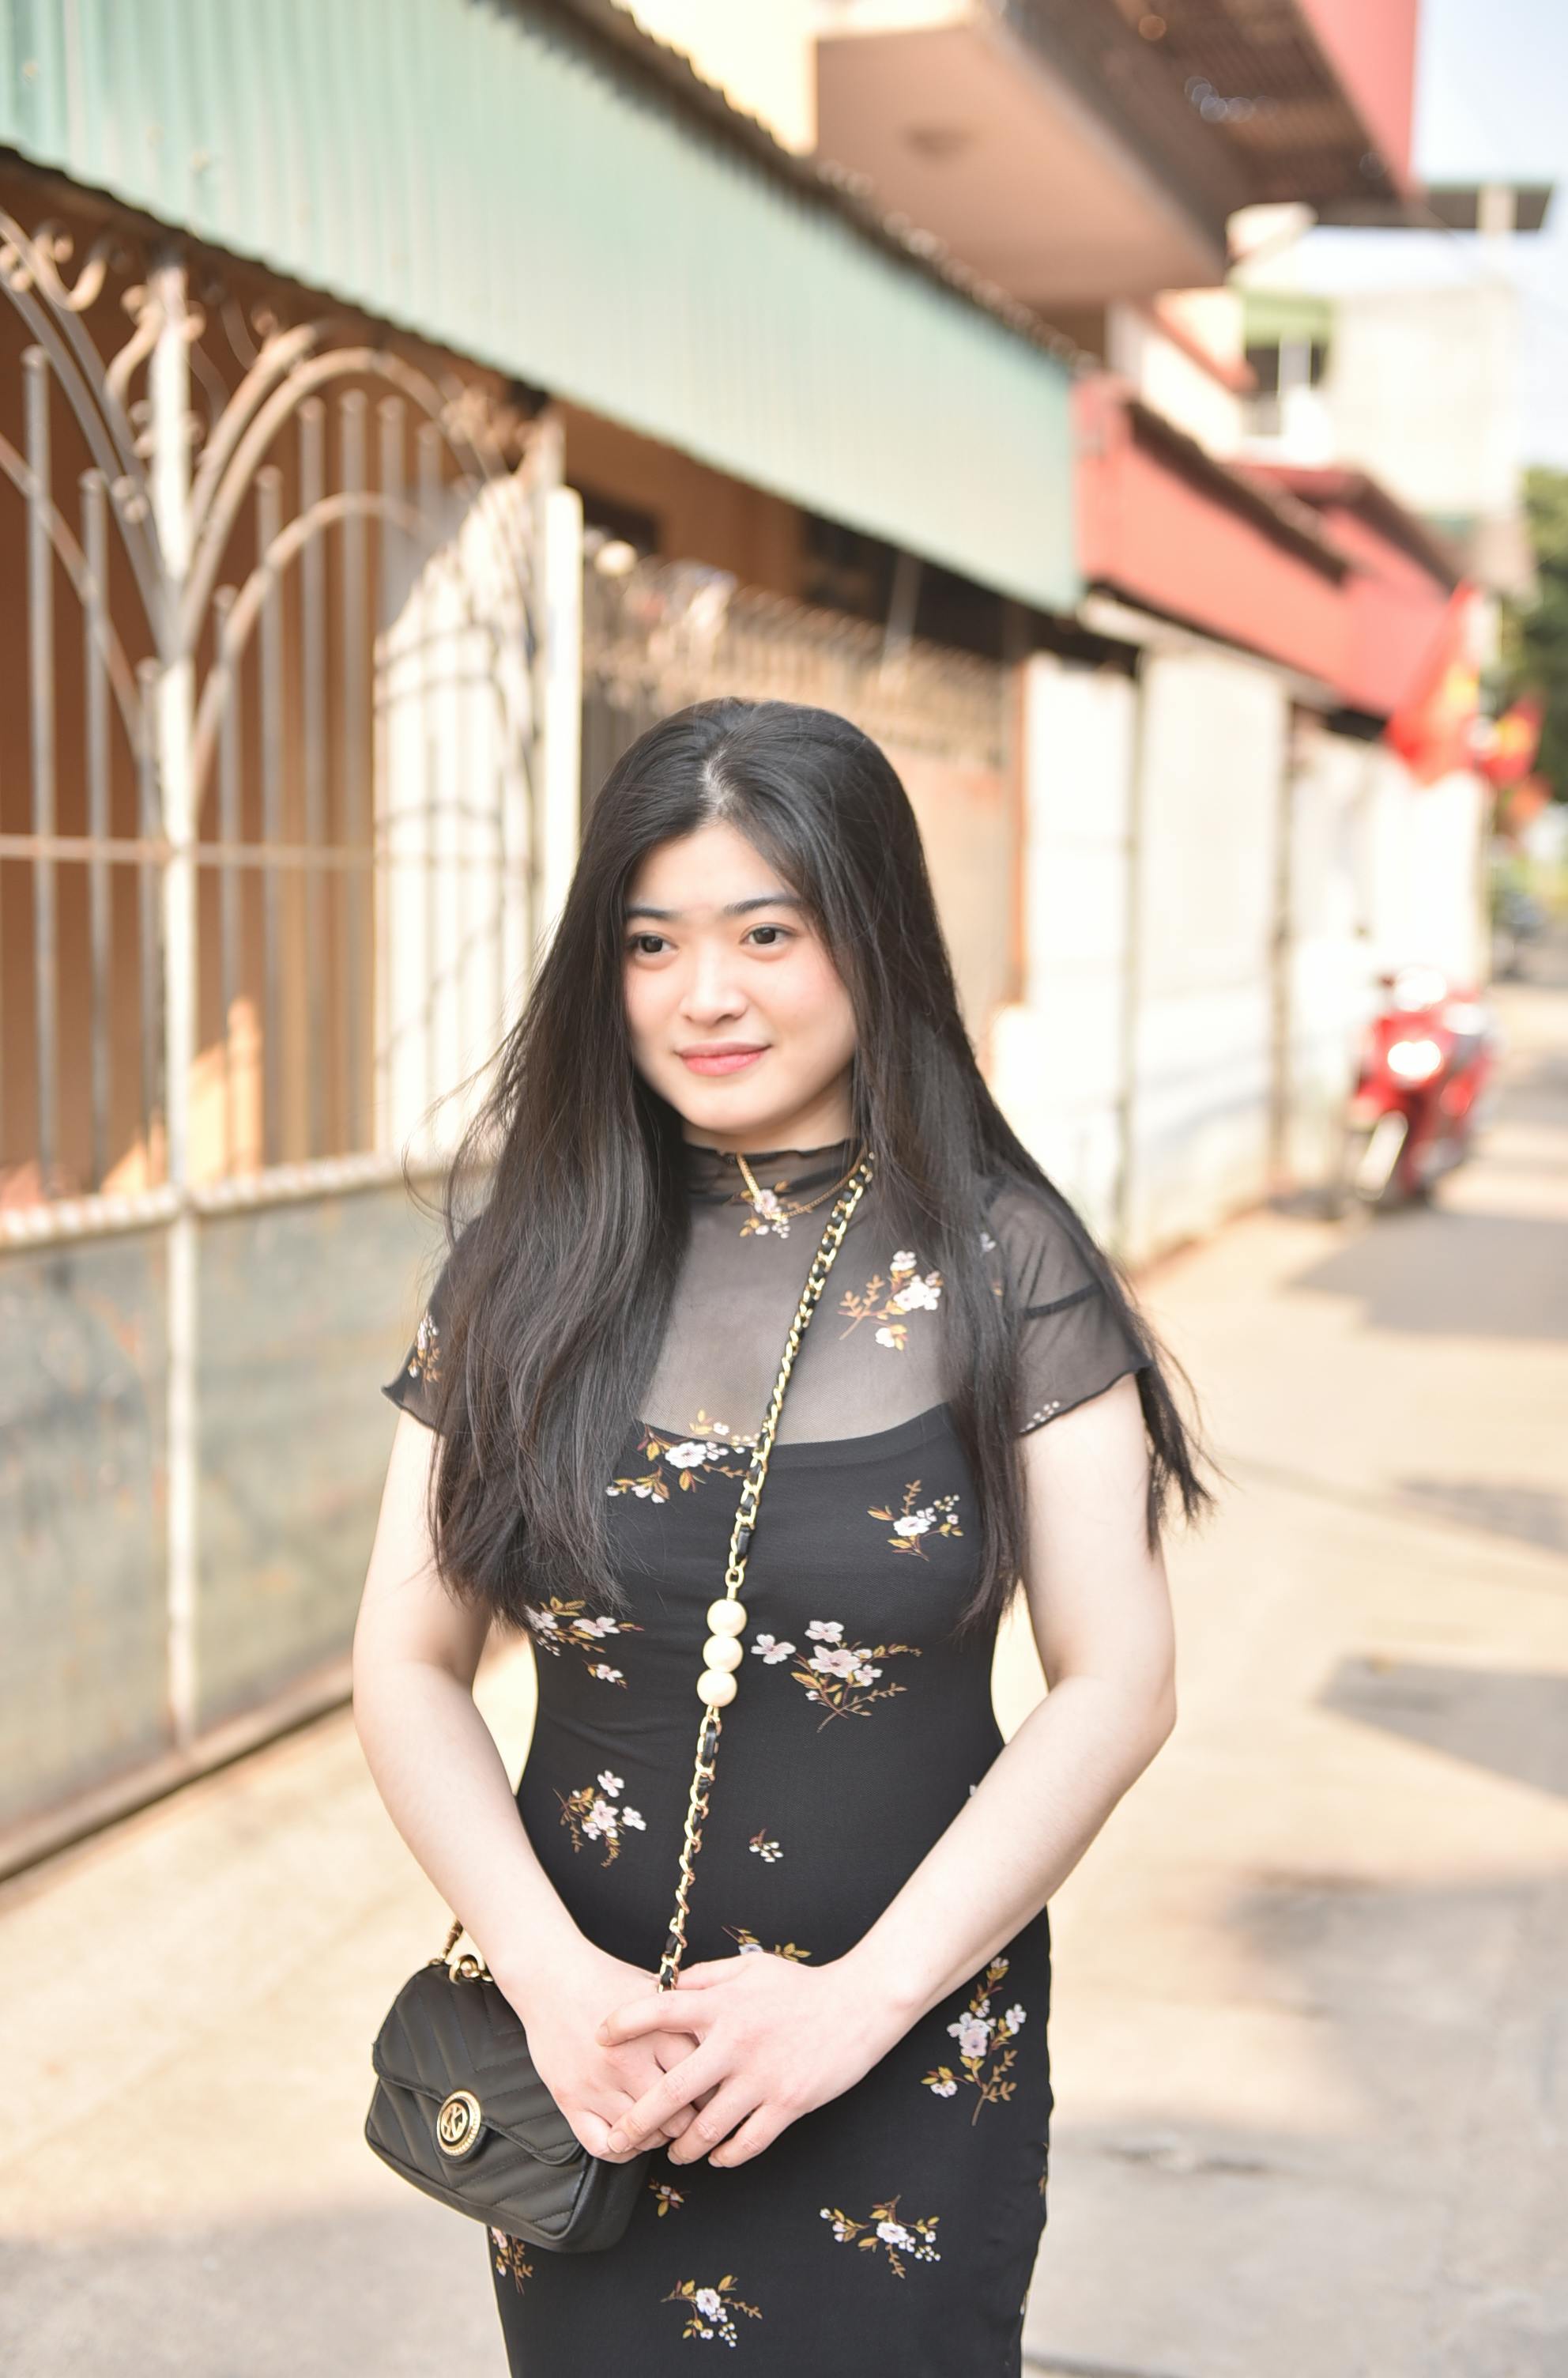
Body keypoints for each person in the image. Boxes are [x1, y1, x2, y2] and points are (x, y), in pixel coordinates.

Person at [352, 696, 1209, 2375]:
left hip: (901, 2046)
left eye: (765, 931)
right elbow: (404, 1655)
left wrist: (861, 2001)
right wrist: (546, 1981)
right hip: (590, 2068)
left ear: (870, 934)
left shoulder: (1001, 1260)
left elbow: (1116, 1680)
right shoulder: (524, 1265)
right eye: (650, 940)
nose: (704, 993)